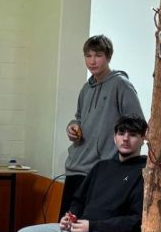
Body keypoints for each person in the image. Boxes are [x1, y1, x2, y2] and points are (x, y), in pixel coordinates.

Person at [10, 115, 147, 232]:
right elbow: (78, 200)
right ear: (114, 137)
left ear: (143, 138)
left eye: (132, 134)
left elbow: (135, 221)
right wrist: (71, 216)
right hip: (82, 231)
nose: (125, 138)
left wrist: (92, 226)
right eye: (121, 133)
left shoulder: (144, 172)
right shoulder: (101, 167)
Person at [60, 35, 144, 217]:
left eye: (98, 55)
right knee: (65, 225)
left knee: (84, 227)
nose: (92, 61)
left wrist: (119, 157)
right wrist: (73, 127)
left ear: (108, 57)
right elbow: (79, 118)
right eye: (88, 56)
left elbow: (137, 122)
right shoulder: (86, 88)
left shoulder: (121, 85)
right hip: (76, 166)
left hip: (100, 169)